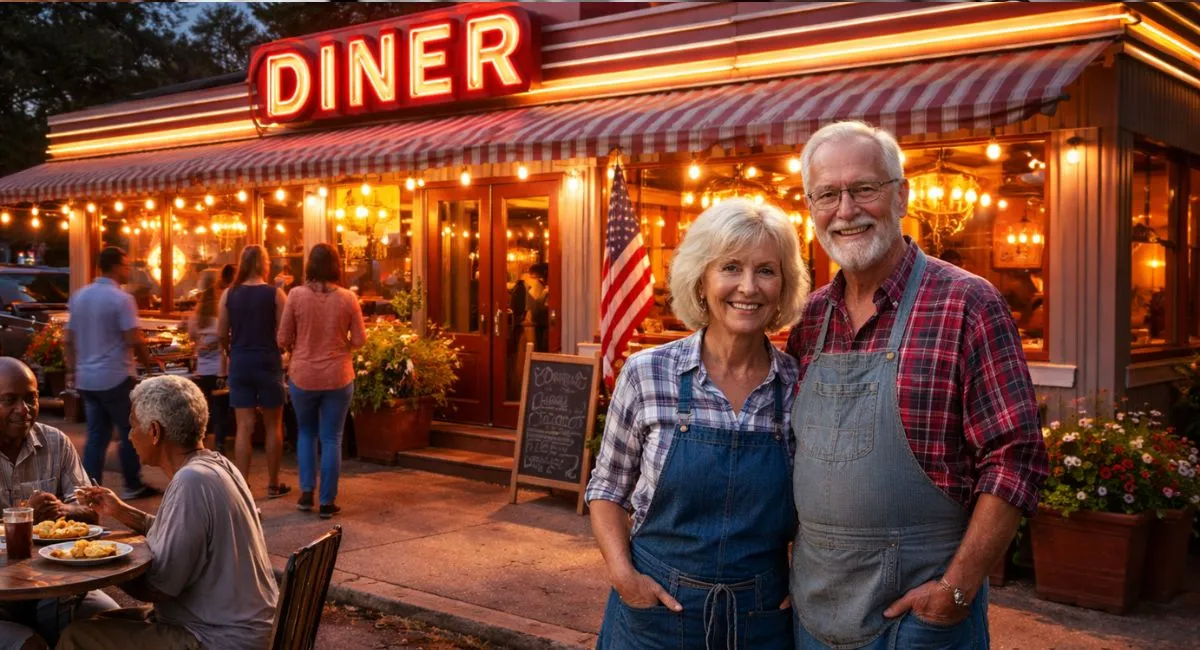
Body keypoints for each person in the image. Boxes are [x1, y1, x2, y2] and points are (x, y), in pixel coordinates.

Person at [786, 121, 1049, 649]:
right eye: (828, 194)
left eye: (864, 189)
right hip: (812, 612)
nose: (846, 210)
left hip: (922, 619)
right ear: (810, 207)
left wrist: (955, 590)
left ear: (901, 194)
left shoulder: (967, 304)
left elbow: (1015, 460)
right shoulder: (810, 317)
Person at [586, 198, 810, 649]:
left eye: (766, 270)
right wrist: (624, 576)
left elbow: (819, 509)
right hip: (656, 613)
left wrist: (806, 580)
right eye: (730, 267)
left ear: (783, 286)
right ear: (702, 280)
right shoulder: (647, 373)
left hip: (762, 618)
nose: (748, 287)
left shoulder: (798, 385)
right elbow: (607, 488)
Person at [61, 375, 279, 650]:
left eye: (132, 426)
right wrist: (121, 511)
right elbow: (179, 533)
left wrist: (103, 561)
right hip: (241, 628)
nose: (129, 436)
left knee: (76, 636)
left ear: (154, 432)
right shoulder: (218, 464)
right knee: (95, 622)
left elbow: (159, 588)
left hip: (219, 638)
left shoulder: (191, 481)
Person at [0, 358, 118, 650]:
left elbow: (91, 509)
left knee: (117, 625)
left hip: (59, 585)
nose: (23, 409)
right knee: (33, 646)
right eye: (9, 400)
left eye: (31, 398)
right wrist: (21, 517)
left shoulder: (55, 442)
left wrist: (62, 512)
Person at [65, 246, 162, 500]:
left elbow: (69, 338)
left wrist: (71, 369)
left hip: (88, 377)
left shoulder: (80, 297)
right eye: (126, 265)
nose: (129, 269)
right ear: (116, 266)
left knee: (97, 435)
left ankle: (88, 489)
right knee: (129, 431)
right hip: (115, 376)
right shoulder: (121, 299)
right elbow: (134, 338)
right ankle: (132, 483)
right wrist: (150, 367)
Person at [277, 243, 366, 518]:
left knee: (306, 433)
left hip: (303, 375)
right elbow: (360, 340)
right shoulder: (348, 299)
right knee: (332, 438)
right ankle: (327, 501)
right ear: (336, 267)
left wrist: (299, 345)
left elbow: (282, 339)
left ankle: (306, 492)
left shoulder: (296, 296)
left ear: (310, 266)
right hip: (338, 375)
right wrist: (343, 345)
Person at [219, 245, 289, 498]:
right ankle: (273, 483)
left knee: (244, 427)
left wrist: (231, 351)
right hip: (267, 359)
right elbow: (284, 333)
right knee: (273, 425)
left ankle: (243, 485)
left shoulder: (229, 294)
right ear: (263, 264)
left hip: (240, 360)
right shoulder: (275, 294)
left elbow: (221, 333)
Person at [185, 269, 229, 453]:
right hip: (221, 369)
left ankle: (201, 444)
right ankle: (219, 444)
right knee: (221, 412)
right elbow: (227, 338)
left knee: (204, 410)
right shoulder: (222, 314)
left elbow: (191, 337)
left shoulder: (196, 317)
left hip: (202, 370)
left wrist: (202, 346)